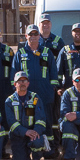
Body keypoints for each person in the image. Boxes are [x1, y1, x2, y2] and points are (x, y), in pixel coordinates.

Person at [12, 24, 58, 152]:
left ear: (39, 36)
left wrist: (52, 88)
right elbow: (14, 73)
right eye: (30, 34)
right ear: (26, 36)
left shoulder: (46, 52)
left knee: (47, 121)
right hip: (26, 94)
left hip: (45, 93)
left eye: (35, 34)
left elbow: (53, 72)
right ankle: (31, 147)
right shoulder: (20, 53)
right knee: (28, 119)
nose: (33, 37)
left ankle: (50, 149)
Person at [4, 71, 46, 160]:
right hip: (18, 135)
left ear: (28, 83)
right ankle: (25, 156)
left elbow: (41, 119)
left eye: (24, 80)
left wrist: (36, 131)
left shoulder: (35, 98)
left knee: (37, 141)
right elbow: (11, 123)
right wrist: (25, 131)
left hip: (33, 132)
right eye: (19, 81)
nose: (22, 83)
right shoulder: (9, 101)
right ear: (15, 84)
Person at [56, 23, 80, 92]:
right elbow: (58, 72)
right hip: (68, 89)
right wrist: (59, 87)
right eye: (75, 31)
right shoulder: (65, 50)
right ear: (72, 33)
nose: (77, 33)